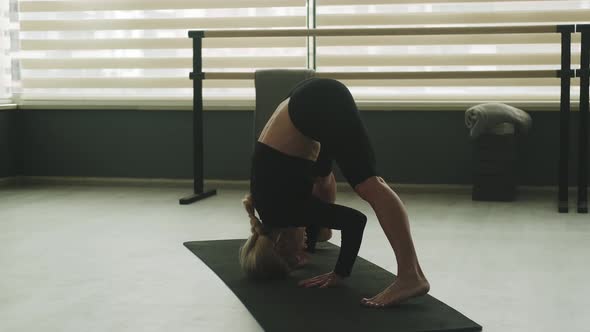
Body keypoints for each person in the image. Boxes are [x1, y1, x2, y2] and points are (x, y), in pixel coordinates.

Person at [239, 78, 430, 308]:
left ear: (279, 243)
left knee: (369, 184)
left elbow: (355, 222)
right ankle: (323, 230)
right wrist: (309, 241)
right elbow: (309, 199)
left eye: (294, 258)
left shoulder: (286, 212)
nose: (301, 256)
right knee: (321, 175)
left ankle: (411, 275)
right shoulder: (265, 211)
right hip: (304, 103)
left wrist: (340, 273)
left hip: (320, 104)